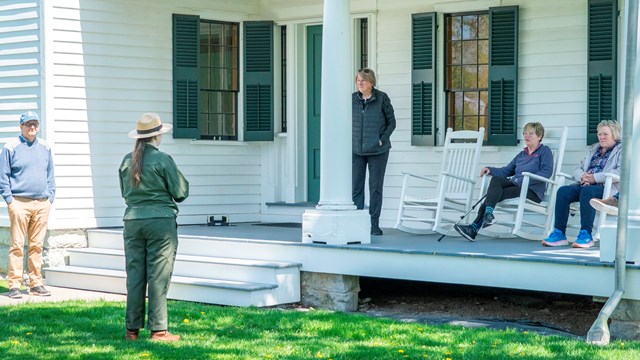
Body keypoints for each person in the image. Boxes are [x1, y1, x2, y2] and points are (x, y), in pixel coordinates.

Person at [119, 113, 189, 341]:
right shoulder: (163, 159)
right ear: (157, 135)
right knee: (158, 275)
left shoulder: (127, 161)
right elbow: (180, 192)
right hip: (160, 222)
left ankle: (132, 330)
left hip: (132, 222)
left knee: (135, 275)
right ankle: (159, 330)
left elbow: (125, 193)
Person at [454, 122, 553, 241]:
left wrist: (525, 179)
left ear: (539, 136)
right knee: (495, 181)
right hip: (517, 185)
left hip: (532, 191)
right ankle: (487, 215)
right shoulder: (521, 154)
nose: (527, 136)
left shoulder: (545, 151)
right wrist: (489, 169)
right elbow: (506, 171)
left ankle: (475, 227)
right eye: (525, 133)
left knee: (493, 195)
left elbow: (546, 172)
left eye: (531, 133)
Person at [0, 111, 56, 299]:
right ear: (21, 126)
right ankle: (15, 285)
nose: (32, 128)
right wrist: (10, 201)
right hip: (19, 203)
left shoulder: (45, 147)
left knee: (37, 245)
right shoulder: (11, 147)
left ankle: (36, 284)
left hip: (42, 203)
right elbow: (3, 177)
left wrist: (50, 198)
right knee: (17, 245)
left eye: (35, 124)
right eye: (28, 124)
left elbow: (50, 175)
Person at [543, 120, 622, 248]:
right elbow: (578, 168)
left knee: (588, 191)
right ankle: (559, 233)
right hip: (586, 184)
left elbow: (620, 171)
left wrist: (594, 178)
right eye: (599, 134)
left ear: (615, 134)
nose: (601, 137)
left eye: (605, 134)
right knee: (563, 191)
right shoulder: (594, 149)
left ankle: (586, 234)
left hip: (606, 188)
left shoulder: (621, 150)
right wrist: (583, 176)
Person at [352, 68, 396, 236]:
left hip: (378, 150)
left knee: (375, 187)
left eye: (363, 80)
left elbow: (392, 122)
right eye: (358, 80)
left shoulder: (382, 98)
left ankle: (374, 224)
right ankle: (357, 223)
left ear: (371, 82)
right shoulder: (352, 100)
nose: (360, 83)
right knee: (356, 187)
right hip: (357, 150)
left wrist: (382, 139)